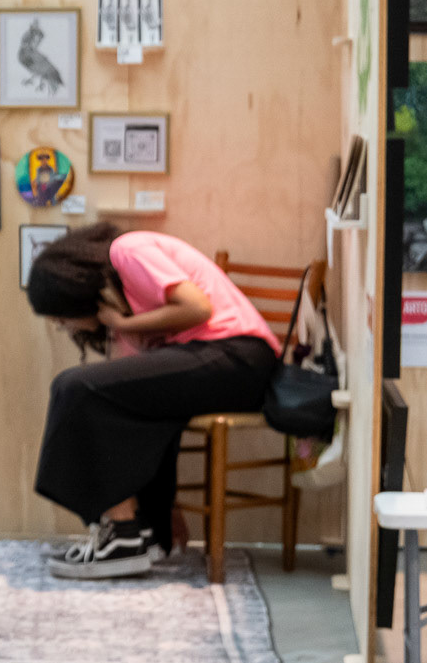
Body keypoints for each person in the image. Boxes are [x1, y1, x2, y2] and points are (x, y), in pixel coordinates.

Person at [26, 224, 280, 579]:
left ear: (73, 294)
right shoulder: (125, 304)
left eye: (61, 317)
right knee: (108, 400)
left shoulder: (128, 250)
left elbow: (197, 308)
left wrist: (123, 324)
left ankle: (123, 536)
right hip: (219, 363)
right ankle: (142, 530)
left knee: (76, 388)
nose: (65, 326)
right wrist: (167, 507)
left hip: (238, 358)